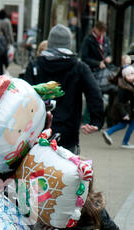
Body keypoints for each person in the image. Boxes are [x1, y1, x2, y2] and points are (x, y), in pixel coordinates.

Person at [23, 24, 104, 155]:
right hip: (68, 135)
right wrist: (96, 120)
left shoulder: (35, 66)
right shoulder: (79, 68)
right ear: (69, 44)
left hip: (38, 134)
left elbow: (24, 97)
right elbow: (94, 94)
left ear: (49, 43)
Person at [102, 64, 134, 149]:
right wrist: (124, 114)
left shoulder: (128, 84)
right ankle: (124, 141)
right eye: (128, 75)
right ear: (124, 76)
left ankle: (109, 133)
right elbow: (119, 103)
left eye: (132, 74)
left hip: (127, 109)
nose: (131, 77)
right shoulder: (124, 87)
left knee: (124, 124)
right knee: (128, 124)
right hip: (125, 110)